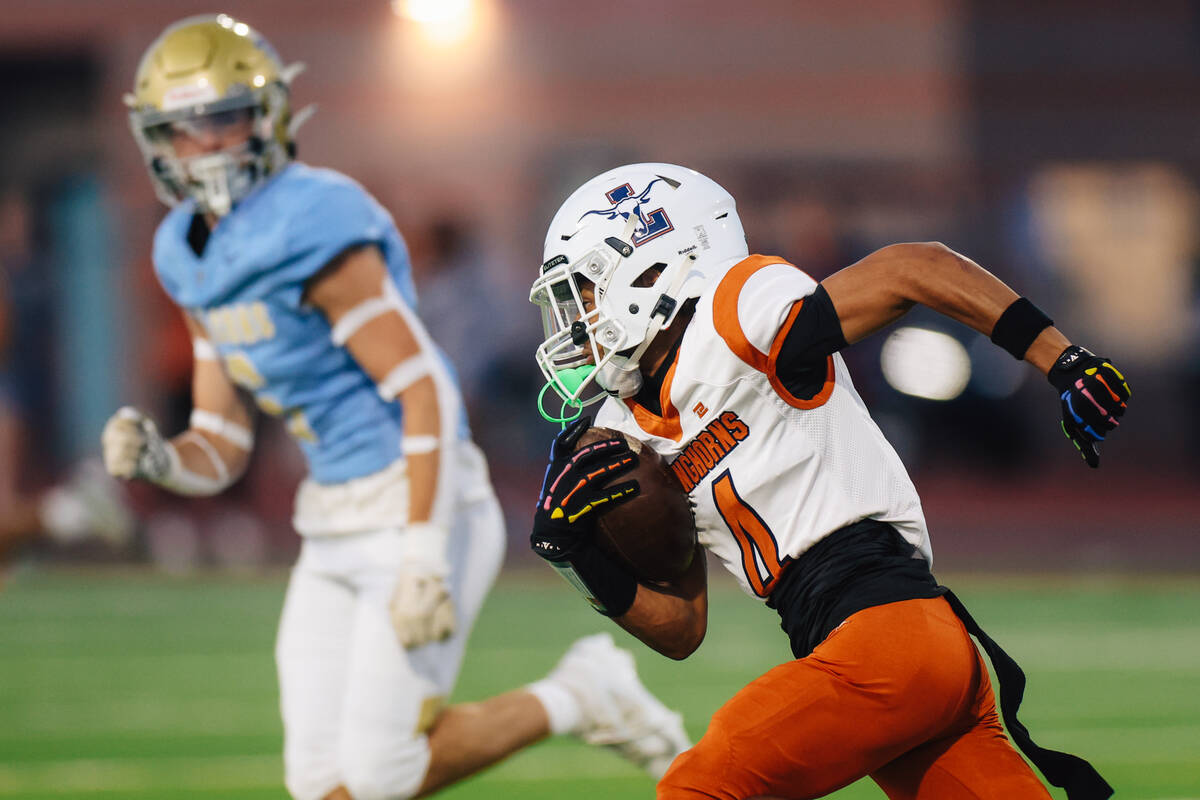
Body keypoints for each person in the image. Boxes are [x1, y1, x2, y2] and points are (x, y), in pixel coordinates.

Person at [104, 18, 687, 800]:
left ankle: (579, 695)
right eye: (182, 128)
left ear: (268, 115)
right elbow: (221, 439)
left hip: (415, 500)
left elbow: (425, 389)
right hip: (331, 516)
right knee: (322, 785)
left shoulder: (310, 221)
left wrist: (421, 555)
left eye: (221, 119)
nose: (203, 145)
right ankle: (585, 693)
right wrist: (161, 459)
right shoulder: (185, 251)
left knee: (383, 773)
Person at [528, 163, 1129, 799]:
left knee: (698, 788)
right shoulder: (626, 433)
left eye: (584, 291)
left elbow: (914, 266)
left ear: (652, 267)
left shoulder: (735, 312)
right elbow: (682, 629)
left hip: (887, 640)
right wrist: (575, 558)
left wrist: (1065, 361)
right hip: (900, 652)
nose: (574, 319)